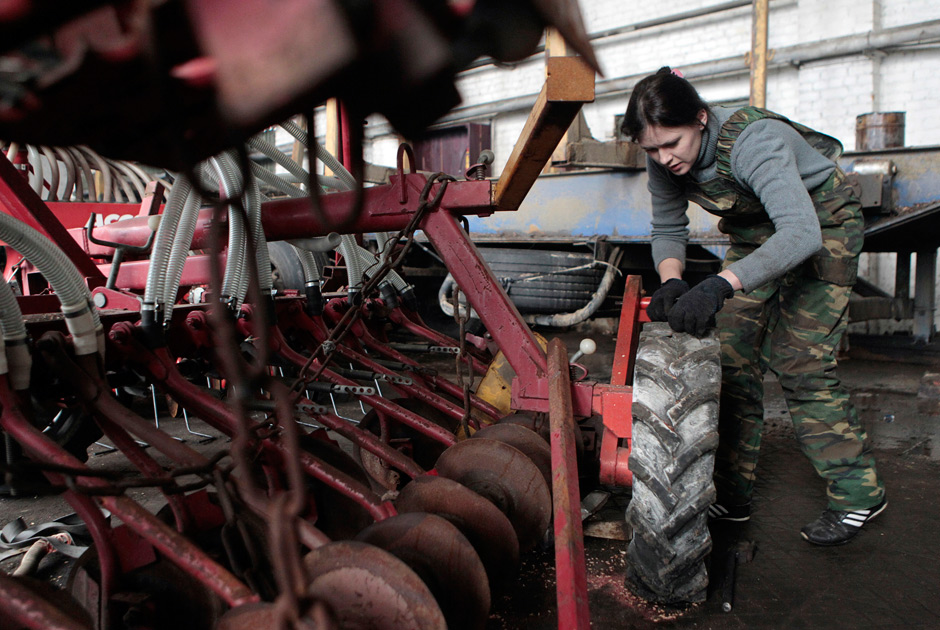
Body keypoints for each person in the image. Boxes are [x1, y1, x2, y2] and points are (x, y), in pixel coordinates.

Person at [621, 67, 886, 546]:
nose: (664, 158)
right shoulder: (662, 159)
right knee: (732, 359)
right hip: (757, 232)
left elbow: (800, 234)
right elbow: (667, 227)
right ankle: (733, 494)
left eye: (673, 143)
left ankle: (857, 495)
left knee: (800, 362)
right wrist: (674, 281)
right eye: (651, 150)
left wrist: (720, 284)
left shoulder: (754, 141)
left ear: (701, 119)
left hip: (821, 226)